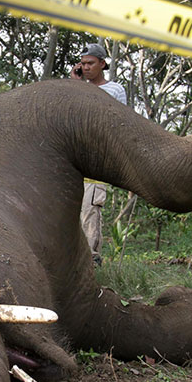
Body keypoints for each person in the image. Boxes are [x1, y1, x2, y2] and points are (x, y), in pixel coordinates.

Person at [70, 42, 127, 265]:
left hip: (97, 159)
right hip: (75, 157)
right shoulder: (77, 86)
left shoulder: (115, 90)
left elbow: (121, 123)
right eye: (82, 64)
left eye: (90, 63)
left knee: (90, 209)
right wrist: (76, 84)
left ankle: (91, 258)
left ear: (102, 64)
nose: (86, 67)